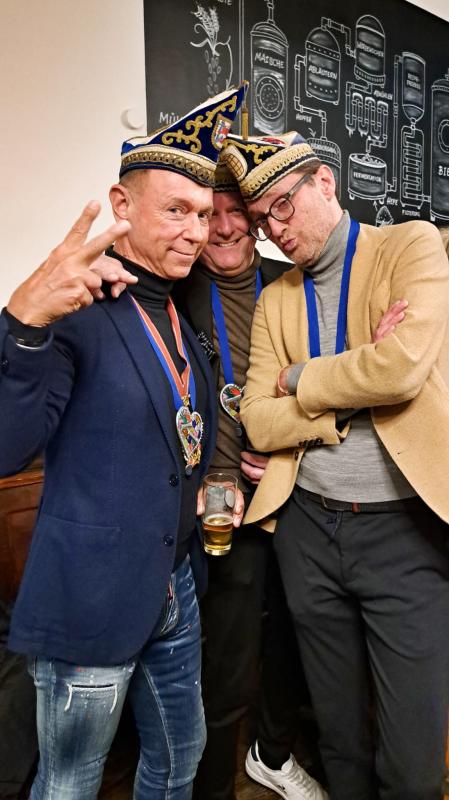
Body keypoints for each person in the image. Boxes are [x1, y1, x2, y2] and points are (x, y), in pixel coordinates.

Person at [0, 84, 246, 800]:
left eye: (202, 214)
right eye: (175, 210)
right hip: (93, 595)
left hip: (176, 585)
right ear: (121, 204)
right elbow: (8, 449)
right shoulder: (77, 307)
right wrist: (22, 323)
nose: (195, 232)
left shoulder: (179, 311)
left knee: (180, 757)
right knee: (70, 780)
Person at [222, 132, 449, 800]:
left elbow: (399, 371)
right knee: (337, 738)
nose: (273, 229)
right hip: (305, 532)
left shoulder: (408, 246)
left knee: (412, 767)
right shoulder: (276, 297)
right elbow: (257, 420)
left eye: (281, 206)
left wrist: (297, 377)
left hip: (405, 534)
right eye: (261, 219)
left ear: (325, 182)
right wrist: (347, 394)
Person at [173, 156, 327, 800]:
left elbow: (326, 378)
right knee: (228, 656)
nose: (224, 228)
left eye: (237, 213)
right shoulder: (174, 289)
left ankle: (273, 753)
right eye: (210, 214)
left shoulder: (291, 283)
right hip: (223, 503)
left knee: (298, 634)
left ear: (257, 221)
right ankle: (213, 786)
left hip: (298, 491)